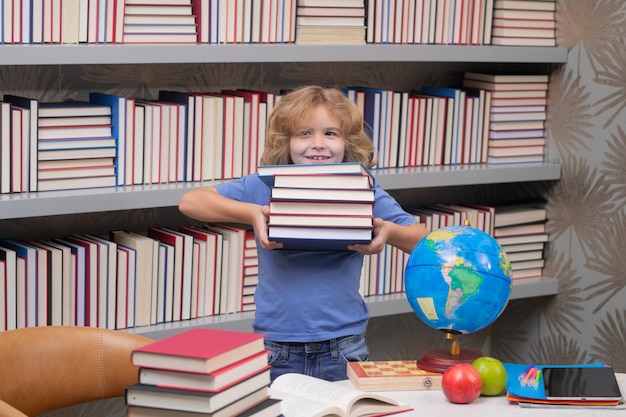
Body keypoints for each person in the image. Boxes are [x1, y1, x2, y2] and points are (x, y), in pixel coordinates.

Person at [178, 85, 429, 382]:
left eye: (331, 133)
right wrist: (251, 213)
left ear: (347, 141)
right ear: (286, 140)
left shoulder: (363, 186)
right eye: (304, 133)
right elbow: (190, 202)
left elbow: (423, 239)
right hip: (276, 344)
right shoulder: (264, 185)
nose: (318, 144)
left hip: (344, 343)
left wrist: (387, 231)